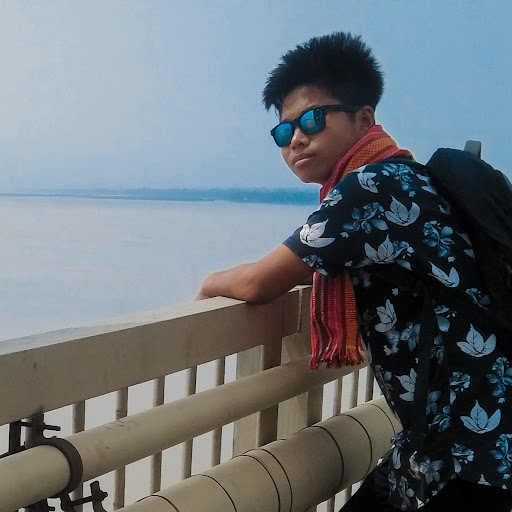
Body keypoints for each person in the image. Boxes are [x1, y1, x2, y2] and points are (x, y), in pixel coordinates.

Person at [195, 32, 512, 511]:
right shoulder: (406, 177)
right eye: (283, 132)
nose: (296, 138)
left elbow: (260, 282)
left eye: (313, 119)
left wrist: (208, 284)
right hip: (445, 441)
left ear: (364, 118)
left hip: (475, 452)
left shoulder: (370, 188)